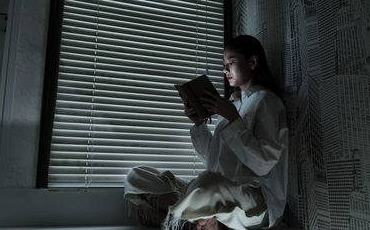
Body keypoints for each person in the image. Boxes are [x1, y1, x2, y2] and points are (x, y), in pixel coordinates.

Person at [124, 35, 289, 230]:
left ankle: (182, 217)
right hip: (217, 190)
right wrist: (199, 124)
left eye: (231, 62)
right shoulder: (232, 103)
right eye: (223, 64)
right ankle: (194, 217)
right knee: (137, 175)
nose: (225, 69)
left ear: (252, 62)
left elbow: (263, 164)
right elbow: (212, 160)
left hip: (255, 199)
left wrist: (234, 119)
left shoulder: (266, 101)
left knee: (207, 183)